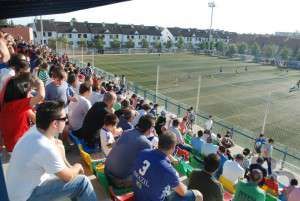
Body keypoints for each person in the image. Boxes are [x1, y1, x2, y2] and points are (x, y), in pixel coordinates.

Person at [6, 101, 98, 201]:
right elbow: (69, 176)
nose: (67, 120)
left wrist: (62, 156)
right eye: (64, 118)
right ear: (54, 123)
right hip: (26, 197)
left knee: (73, 182)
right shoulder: (44, 146)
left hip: (16, 191)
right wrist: (77, 166)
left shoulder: (35, 130)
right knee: (82, 183)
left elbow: (58, 150)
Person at [132, 131, 203, 201]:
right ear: (173, 148)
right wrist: (178, 179)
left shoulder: (143, 152)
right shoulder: (167, 169)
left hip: (138, 195)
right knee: (197, 194)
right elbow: (183, 192)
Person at [105, 115, 155, 188]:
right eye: (153, 127)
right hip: (118, 180)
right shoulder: (146, 143)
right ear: (149, 128)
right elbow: (148, 165)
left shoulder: (127, 132)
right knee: (150, 176)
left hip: (106, 171)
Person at [0, 73, 44, 152]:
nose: (30, 93)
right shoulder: (18, 105)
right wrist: (40, 84)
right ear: (20, 93)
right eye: (29, 91)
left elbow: (34, 118)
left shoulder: (8, 102)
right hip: (20, 145)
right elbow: (41, 96)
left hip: (11, 143)